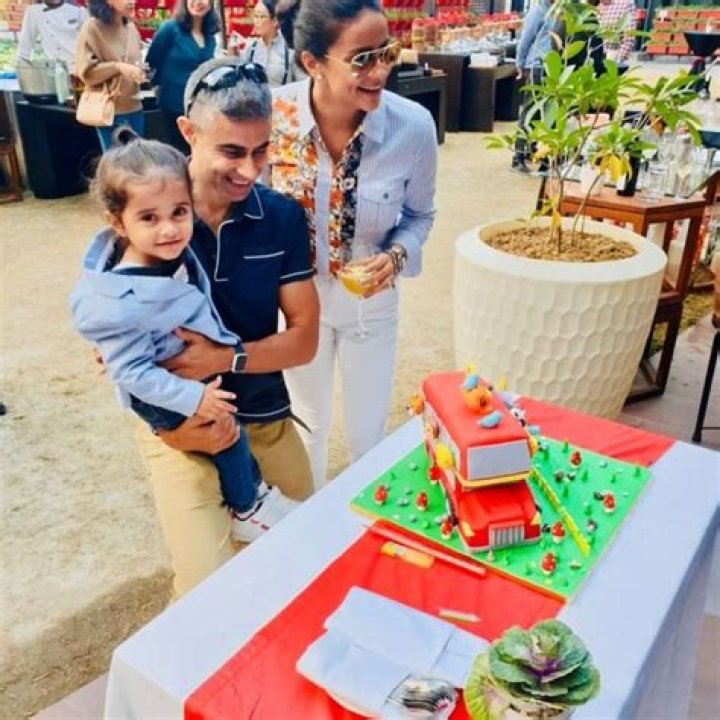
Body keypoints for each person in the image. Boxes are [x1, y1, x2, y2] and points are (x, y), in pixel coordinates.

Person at [122, 57, 318, 597]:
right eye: (232, 151)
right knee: (207, 592)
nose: (250, 171)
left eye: (261, 151)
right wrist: (167, 429)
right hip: (183, 432)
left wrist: (224, 358)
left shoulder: (280, 217)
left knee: (309, 557)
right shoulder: (146, 214)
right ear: (188, 132)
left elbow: (304, 340)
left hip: (265, 418)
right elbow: (113, 344)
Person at [71, 130, 300, 544]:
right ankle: (247, 508)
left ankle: (249, 495)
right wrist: (193, 398)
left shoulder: (166, 254)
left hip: (183, 374)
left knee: (230, 429)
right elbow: (131, 371)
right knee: (226, 434)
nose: (169, 229)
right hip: (163, 390)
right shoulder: (122, 301)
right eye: (149, 218)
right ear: (117, 222)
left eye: (179, 212)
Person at [268, 0, 438, 490]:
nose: (380, 71)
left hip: (372, 303)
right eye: (362, 59)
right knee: (308, 424)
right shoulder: (273, 117)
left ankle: (362, 524)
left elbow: (420, 215)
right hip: (295, 302)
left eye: (386, 52)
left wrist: (396, 256)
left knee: (368, 435)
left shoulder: (412, 127)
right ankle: (308, 523)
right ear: (312, 62)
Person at [146, 0, 219, 153]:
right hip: (173, 106)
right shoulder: (170, 29)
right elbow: (152, 62)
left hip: (200, 107)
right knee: (178, 153)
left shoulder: (210, 36)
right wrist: (158, 88)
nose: (198, 2)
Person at [75, 0, 146, 151]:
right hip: (109, 109)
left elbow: (136, 61)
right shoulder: (92, 28)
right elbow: (86, 73)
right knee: (116, 161)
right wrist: (117, 67)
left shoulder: (131, 27)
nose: (131, 1)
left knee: (138, 159)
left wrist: (140, 72)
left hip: (135, 107)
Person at [512, 0, 558, 173]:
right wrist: (520, 64)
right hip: (537, 67)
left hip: (553, 68)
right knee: (530, 111)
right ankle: (519, 154)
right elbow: (525, 39)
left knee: (549, 114)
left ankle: (543, 157)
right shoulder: (538, 10)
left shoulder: (558, 10)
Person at [236, 0, 300, 87]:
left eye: (261, 17)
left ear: (275, 21)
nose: (257, 21)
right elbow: (240, 80)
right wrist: (234, 56)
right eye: (255, 16)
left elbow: (301, 83)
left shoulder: (289, 50)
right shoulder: (251, 48)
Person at [16, 0, 87, 72]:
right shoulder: (34, 12)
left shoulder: (78, 10)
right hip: (55, 69)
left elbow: (89, 40)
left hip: (80, 67)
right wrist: (22, 69)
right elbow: (25, 45)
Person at [597, 0, 635, 66]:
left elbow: (629, 36)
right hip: (594, 52)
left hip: (612, 53)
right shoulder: (595, 4)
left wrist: (617, 60)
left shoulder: (625, 3)